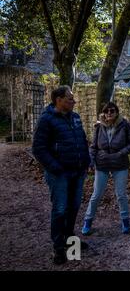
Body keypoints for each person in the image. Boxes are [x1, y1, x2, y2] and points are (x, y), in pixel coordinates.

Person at [32, 85, 91, 265]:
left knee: (73, 207)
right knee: (60, 209)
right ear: (59, 100)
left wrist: (86, 161)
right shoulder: (47, 120)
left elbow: (81, 139)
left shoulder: (75, 117)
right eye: (70, 99)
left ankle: (70, 239)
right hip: (60, 174)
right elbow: (38, 149)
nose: (74, 101)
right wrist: (55, 167)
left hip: (78, 171)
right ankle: (58, 248)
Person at [82, 102, 130, 236]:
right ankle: (87, 221)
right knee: (96, 195)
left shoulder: (125, 126)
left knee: (121, 195)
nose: (109, 114)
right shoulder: (99, 127)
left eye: (112, 111)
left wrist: (121, 153)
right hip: (102, 165)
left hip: (120, 164)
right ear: (103, 113)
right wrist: (91, 161)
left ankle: (125, 223)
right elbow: (93, 147)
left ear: (117, 112)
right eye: (106, 111)